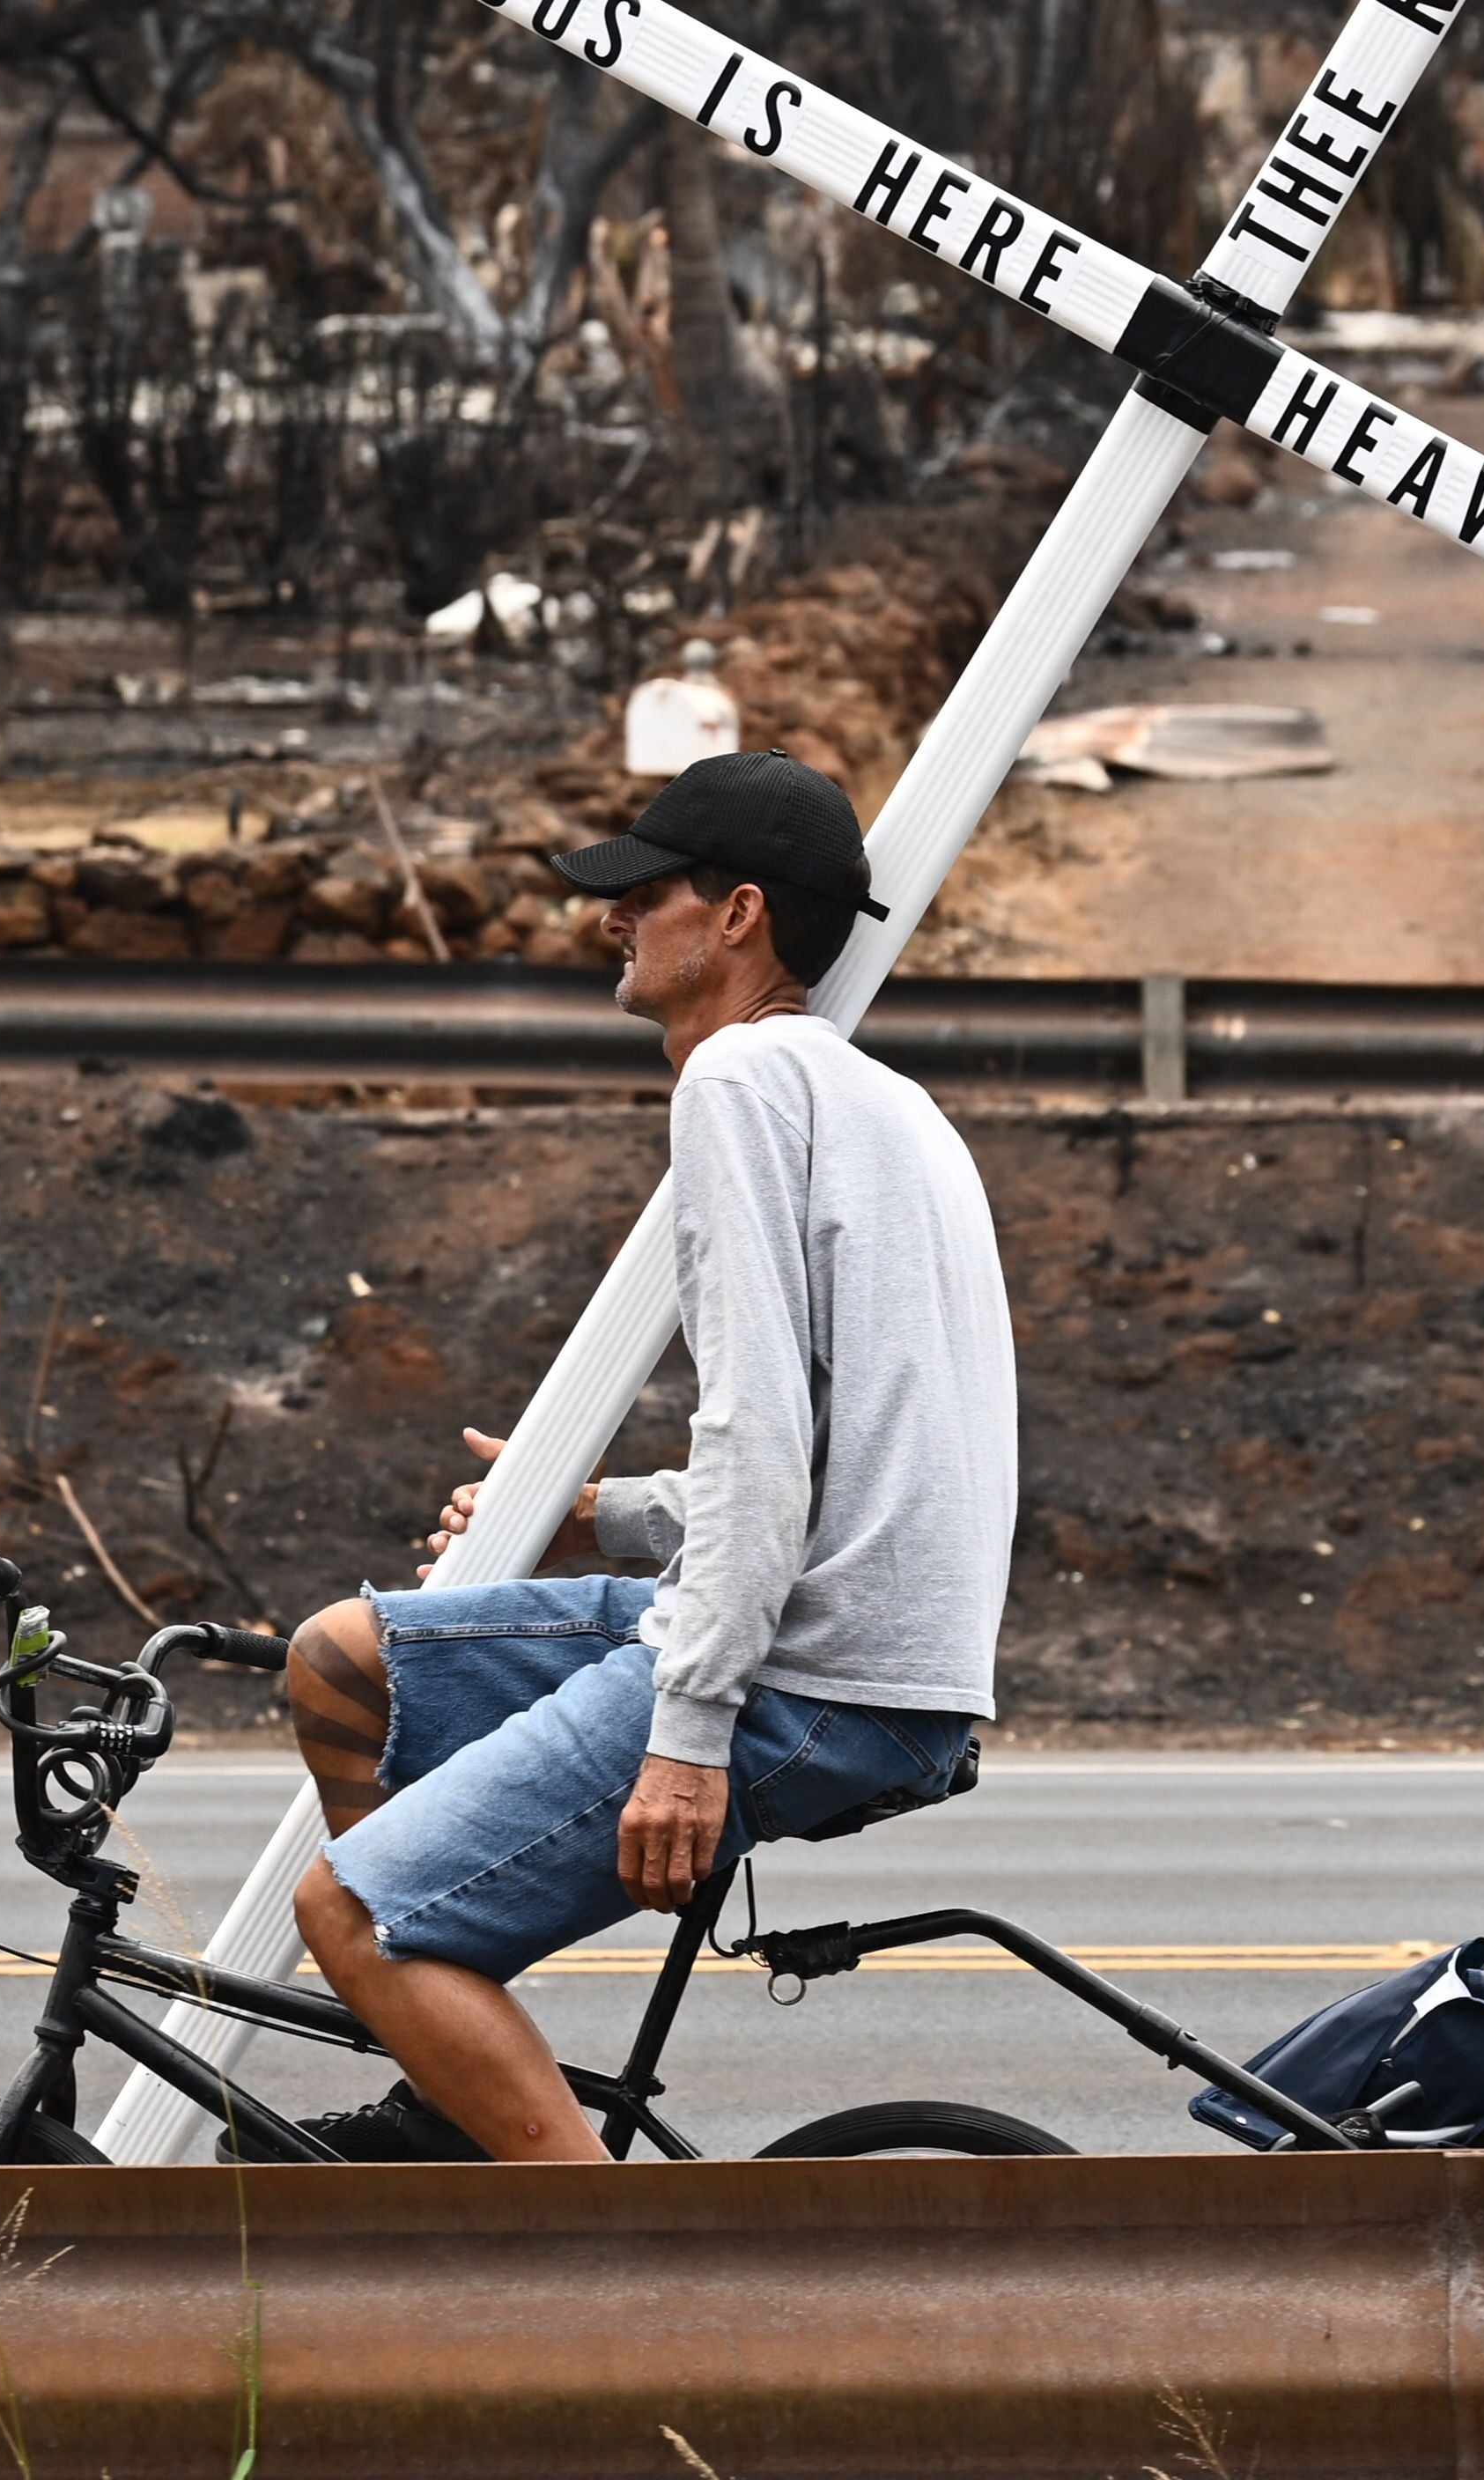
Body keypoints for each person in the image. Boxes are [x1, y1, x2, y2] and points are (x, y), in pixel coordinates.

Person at [277, 749, 1015, 2161]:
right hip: (870, 1651)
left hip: (808, 1677)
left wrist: (687, 1739)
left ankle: (619, 2288)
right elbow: (834, 1456)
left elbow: (759, 1440)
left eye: (643, 893)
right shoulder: (891, 1109)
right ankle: (451, 2082)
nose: (610, 919)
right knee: (341, 1660)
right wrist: (600, 1516)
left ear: (738, 915)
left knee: (350, 1914)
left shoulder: (738, 1081)